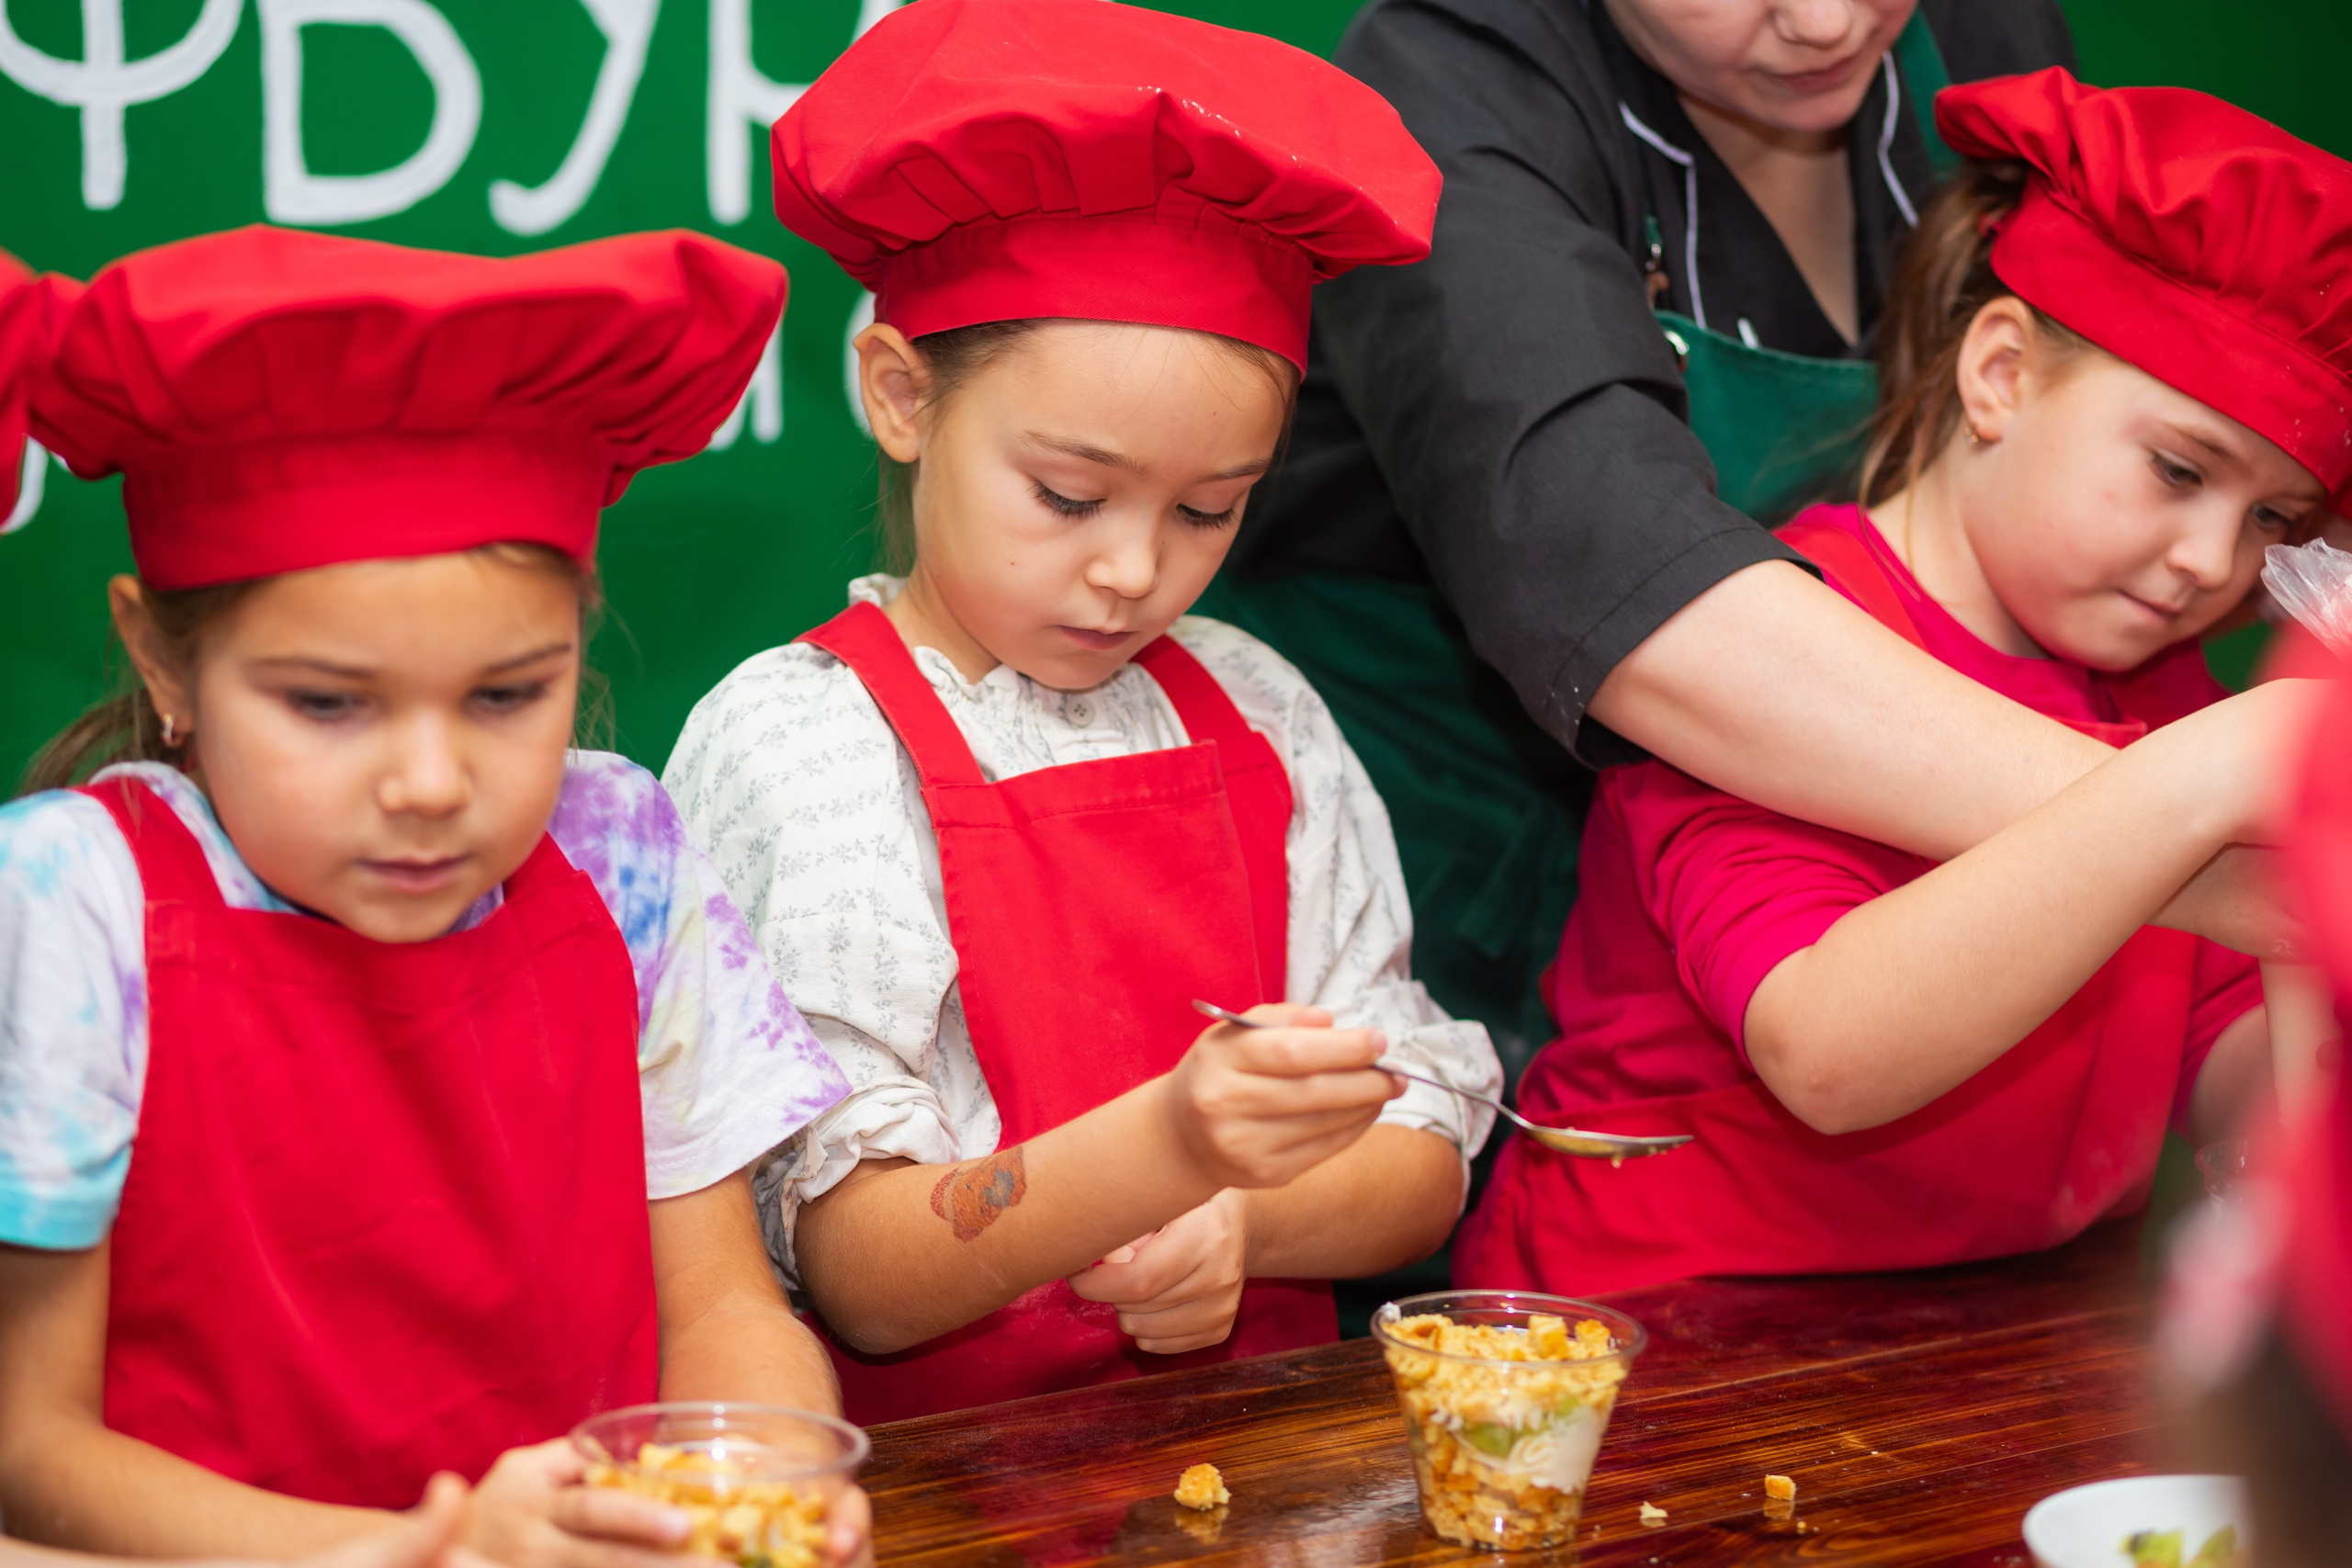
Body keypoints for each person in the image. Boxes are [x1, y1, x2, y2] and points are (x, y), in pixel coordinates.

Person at [662, 0, 1501, 1425]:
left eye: (1207, 509)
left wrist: (1247, 1226)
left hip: (1263, 1467)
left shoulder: (1257, 705)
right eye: (1067, 494)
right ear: (899, 393)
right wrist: (1171, 1145)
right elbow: (856, 1266)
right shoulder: (800, 744)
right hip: (945, 1489)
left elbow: (1421, 1156)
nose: (1132, 569)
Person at [0, 226, 870, 1562]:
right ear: (163, 663)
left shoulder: (625, 848)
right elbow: (30, 1450)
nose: (427, 780)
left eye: (507, 695)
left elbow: (721, 1304)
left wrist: (759, 1478)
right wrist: (425, 1550)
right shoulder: (70, 902)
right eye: (329, 703)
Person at [1204, 0, 2281, 1061]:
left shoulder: (1979, 37)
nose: (1824, 24)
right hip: (1437, 810)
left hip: (1851, 810)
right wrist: (2165, 839)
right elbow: (1615, 585)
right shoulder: (1455, 80)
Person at [1453, 70, 2351, 1295]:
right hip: (1660, 1337)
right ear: (2001, 375)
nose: (2213, 560)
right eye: (2178, 470)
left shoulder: (2171, 682)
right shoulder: (1777, 641)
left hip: (2001, 1333)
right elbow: (1827, 1049)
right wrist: (2188, 786)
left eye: (2274, 519)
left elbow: (2219, 1040)